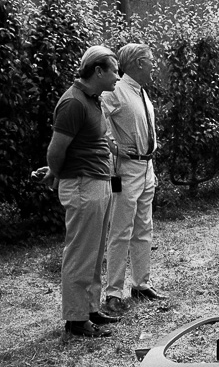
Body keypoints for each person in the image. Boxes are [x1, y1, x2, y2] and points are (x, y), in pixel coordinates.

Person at [43, 46, 121, 337]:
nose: (117, 76)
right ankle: (76, 320)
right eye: (113, 70)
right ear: (98, 71)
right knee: (80, 253)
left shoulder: (92, 99)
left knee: (95, 251)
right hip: (83, 185)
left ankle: (90, 309)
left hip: (98, 182)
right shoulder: (73, 103)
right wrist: (56, 172)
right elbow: (56, 150)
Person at [101, 43, 166, 315]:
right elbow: (100, 120)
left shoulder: (140, 91)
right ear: (138, 63)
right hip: (125, 169)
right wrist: (114, 146)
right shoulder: (115, 90)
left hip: (145, 166)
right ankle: (113, 292)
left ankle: (141, 283)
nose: (154, 65)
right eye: (151, 61)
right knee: (120, 231)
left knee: (144, 228)